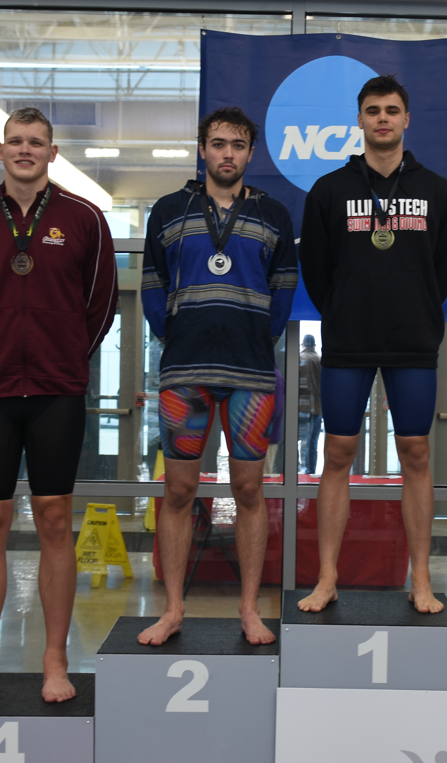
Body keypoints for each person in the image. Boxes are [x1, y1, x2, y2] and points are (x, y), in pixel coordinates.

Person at [0, 107, 118, 703]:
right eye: (15, 141)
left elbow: (101, 303)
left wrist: (66, 358)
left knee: (54, 519)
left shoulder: (85, 218)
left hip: (56, 390)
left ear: (52, 152)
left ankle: (55, 660)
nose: (25, 150)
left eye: (36, 142)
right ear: (0, 150)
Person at [297, 74, 447, 614]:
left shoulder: (437, 191)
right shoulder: (329, 190)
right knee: (336, 453)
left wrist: (414, 306)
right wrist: (345, 308)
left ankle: (420, 579)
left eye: (392, 110)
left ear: (406, 119)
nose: (383, 118)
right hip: (349, 339)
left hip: (413, 339)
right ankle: (327, 578)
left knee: (416, 453)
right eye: (373, 110)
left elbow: (442, 271)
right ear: (360, 119)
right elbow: (316, 269)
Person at [138, 106, 297, 646]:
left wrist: (256, 336)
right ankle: (173, 609)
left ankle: (249, 609)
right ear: (202, 149)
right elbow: (153, 285)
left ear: (251, 153)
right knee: (178, 489)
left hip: (250, 371)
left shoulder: (274, 214)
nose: (228, 153)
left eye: (238, 145)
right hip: (185, 369)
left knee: (249, 488)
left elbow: (284, 288)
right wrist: (175, 333)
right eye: (218, 143)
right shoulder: (168, 211)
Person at [298, 335, 323, 474]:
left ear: (303, 345)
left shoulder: (298, 358)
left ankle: (294, 468)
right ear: (314, 345)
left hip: (300, 406)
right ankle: (310, 470)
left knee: (295, 438)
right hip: (317, 407)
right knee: (312, 440)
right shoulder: (320, 360)